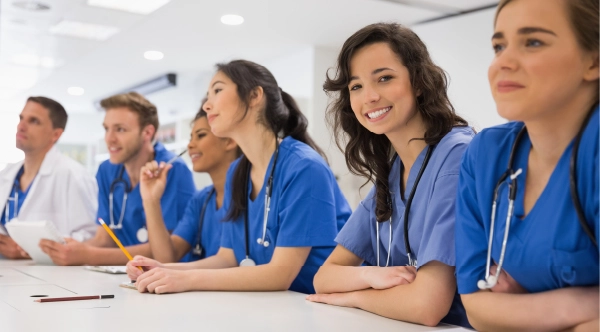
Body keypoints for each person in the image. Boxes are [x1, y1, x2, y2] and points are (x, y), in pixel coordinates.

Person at [126, 60, 351, 295]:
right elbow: (227, 258)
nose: (207, 106)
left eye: (218, 90)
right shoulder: (238, 172)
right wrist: (164, 269)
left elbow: (280, 274)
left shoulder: (303, 167)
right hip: (274, 306)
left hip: (322, 308)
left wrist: (186, 279)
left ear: (254, 96)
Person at [307, 23, 474, 328]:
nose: (369, 96)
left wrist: (353, 296)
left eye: (384, 78)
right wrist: (372, 275)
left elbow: (426, 306)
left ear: (420, 82)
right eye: (356, 86)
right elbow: (324, 278)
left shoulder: (457, 155)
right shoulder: (394, 170)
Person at [455, 0, 599, 331]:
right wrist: (579, 303)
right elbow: (476, 306)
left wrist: (519, 307)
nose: (502, 62)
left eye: (533, 42)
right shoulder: (486, 154)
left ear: (594, 60)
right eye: (498, 45)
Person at [39, 92, 195, 265]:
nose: (109, 139)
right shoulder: (107, 170)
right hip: (123, 272)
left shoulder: (172, 170)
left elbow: (166, 250)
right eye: (107, 129)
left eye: (120, 129)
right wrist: (63, 250)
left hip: (167, 279)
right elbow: (103, 239)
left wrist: (88, 255)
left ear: (147, 132)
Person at [140, 103, 240, 263]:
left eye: (200, 136)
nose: (190, 145)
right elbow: (167, 257)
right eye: (190, 138)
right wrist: (151, 200)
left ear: (230, 141)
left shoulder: (251, 196)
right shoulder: (201, 201)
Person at [0, 96, 97, 259]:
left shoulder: (73, 175)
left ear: (56, 134)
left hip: (47, 276)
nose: (21, 126)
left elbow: (90, 237)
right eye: (21, 118)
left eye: (34, 121)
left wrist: (30, 249)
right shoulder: (7, 174)